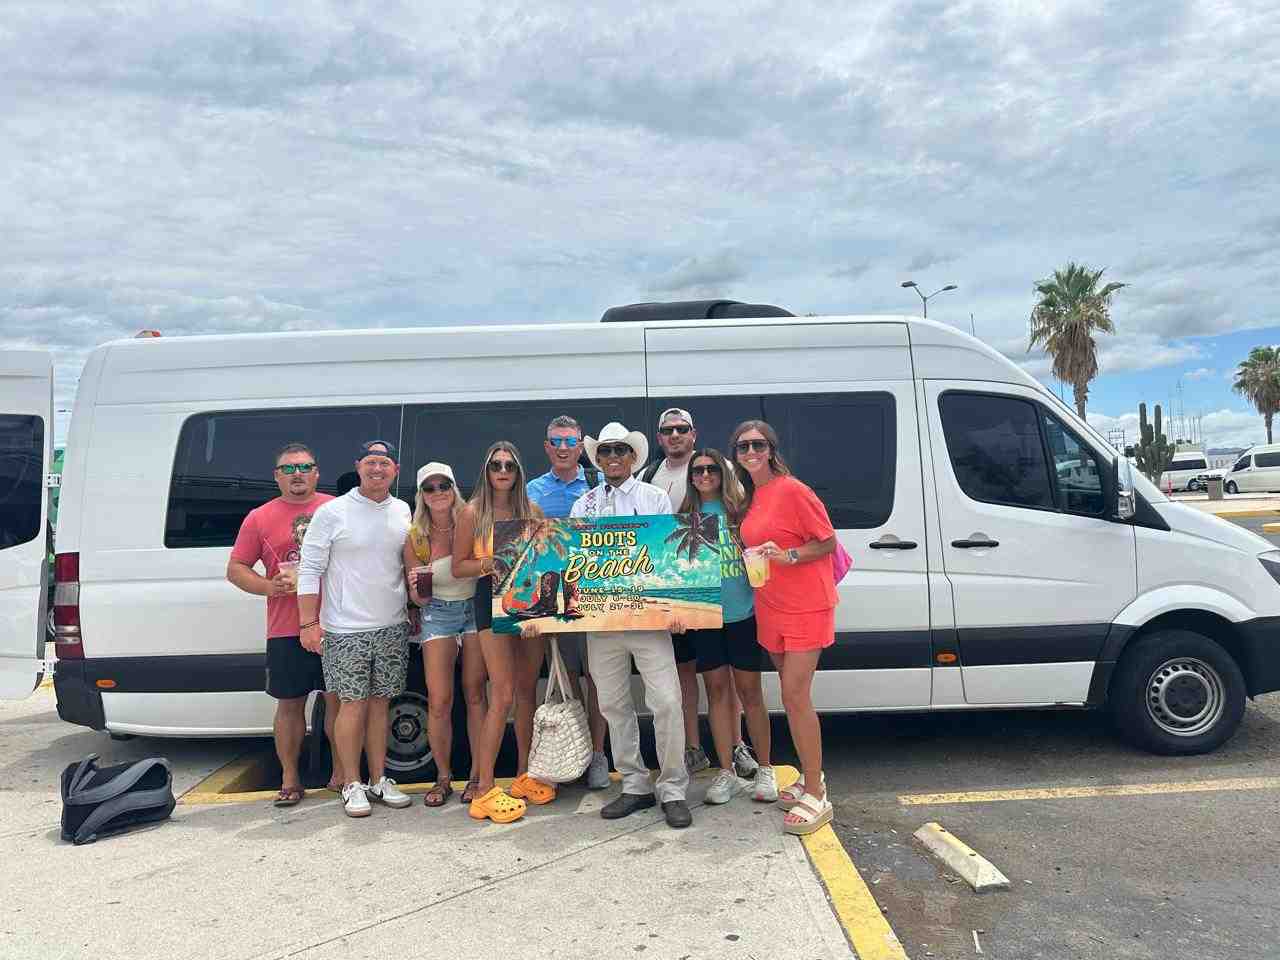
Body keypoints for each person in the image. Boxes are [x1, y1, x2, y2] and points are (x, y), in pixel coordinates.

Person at [571, 422, 691, 829]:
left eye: (620, 450)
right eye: (605, 452)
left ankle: (673, 788)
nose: (613, 458)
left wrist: (678, 609)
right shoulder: (583, 505)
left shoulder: (655, 498)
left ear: (633, 456)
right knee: (613, 706)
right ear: (598, 459)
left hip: (648, 619)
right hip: (601, 623)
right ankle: (635, 785)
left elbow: (670, 557)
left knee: (668, 703)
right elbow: (574, 564)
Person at [731, 420, 837, 835]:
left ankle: (816, 793)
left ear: (772, 449)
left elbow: (826, 541)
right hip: (771, 604)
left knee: (795, 696)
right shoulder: (753, 495)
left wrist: (789, 555)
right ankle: (813, 780)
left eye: (758, 444)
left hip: (806, 605)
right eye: (743, 447)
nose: (751, 451)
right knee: (788, 694)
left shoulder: (794, 489)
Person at [298, 441, 413, 818]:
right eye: (370, 462)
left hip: (392, 624)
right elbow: (310, 570)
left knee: (381, 705)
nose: (377, 469)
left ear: (394, 469)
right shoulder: (333, 512)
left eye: (384, 463)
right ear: (358, 466)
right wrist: (309, 623)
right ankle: (351, 783)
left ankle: (379, 779)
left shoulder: (402, 510)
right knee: (352, 706)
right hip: (346, 629)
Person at [226, 442, 338, 807]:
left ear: (317, 472)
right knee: (290, 704)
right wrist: (268, 586)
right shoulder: (259, 517)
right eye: (288, 469)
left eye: (304, 467)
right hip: (286, 628)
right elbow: (236, 569)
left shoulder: (335, 509)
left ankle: (341, 774)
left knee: (338, 700)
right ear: (277, 477)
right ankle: (290, 778)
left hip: (337, 623)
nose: (297, 474)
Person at [677, 448, 778, 805]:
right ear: (690, 477)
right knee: (717, 693)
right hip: (706, 618)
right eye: (697, 471)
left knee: (751, 694)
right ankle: (726, 772)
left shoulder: (741, 509)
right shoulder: (685, 516)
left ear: (722, 472)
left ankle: (765, 768)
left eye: (711, 469)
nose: (704, 476)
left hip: (744, 615)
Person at [452, 441, 542, 822]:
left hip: (530, 604)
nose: (503, 471)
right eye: (496, 465)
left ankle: (523, 775)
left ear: (518, 472)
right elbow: (459, 567)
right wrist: (492, 562)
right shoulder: (472, 513)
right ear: (486, 471)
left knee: (527, 693)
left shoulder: (531, 510)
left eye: (510, 465)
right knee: (501, 694)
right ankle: (485, 788)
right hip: (490, 605)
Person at [526, 415, 610, 790]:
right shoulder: (530, 491)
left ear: (580, 446)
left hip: (594, 597)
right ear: (546, 446)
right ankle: (572, 753)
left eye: (569, 441)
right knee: (565, 677)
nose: (562, 447)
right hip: (550, 601)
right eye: (555, 441)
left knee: (599, 678)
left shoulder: (598, 485)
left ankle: (597, 756)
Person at [403, 462, 487, 808]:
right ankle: (442, 777)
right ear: (421, 495)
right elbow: (415, 596)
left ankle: (479, 777)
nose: (437, 493)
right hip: (436, 612)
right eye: (430, 488)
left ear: (454, 488)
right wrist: (415, 593)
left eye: (444, 485)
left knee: (475, 694)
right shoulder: (416, 536)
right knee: (439, 701)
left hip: (473, 609)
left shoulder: (472, 521)